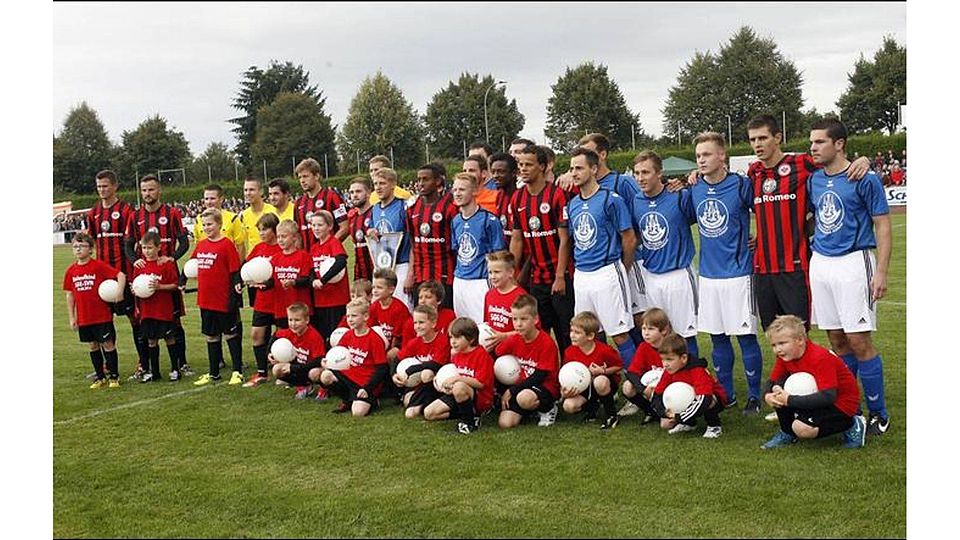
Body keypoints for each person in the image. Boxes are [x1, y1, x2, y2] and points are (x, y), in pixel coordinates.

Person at [807, 118, 892, 436]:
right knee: (837, 340)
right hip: (822, 263)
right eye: (811, 143)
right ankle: (850, 407)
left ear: (839, 143)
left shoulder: (865, 178)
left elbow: (882, 225)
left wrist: (880, 271)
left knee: (859, 340)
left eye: (819, 142)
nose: (813, 148)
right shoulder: (813, 179)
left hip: (854, 263)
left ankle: (878, 413)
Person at [689, 132, 765, 414]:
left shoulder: (741, 185)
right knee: (718, 337)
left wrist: (760, 235)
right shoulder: (693, 188)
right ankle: (727, 394)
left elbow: (765, 211)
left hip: (738, 273)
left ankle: (754, 396)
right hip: (708, 275)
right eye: (698, 156)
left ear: (722, 156)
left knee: (745, 336)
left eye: (707, 154)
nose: (701, 160)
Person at [566, 147, 638, 370]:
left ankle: (636, 389)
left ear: (594, 169)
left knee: (619, 334)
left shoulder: (611, 199)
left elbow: (629, 238)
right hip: (582, 275)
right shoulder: (573, 204)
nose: (574, 173)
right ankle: (603, 386)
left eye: (579, 168)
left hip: (607, 272)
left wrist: (622, 269)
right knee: (590, 335)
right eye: (571, 168)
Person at [631, 151, 701, 361]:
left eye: (646, 172)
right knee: (657, 335)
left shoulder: (679, 195)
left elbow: (705, 219)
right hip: (651, 276)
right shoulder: (636, 200)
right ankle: (668, 379)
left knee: (684, 333)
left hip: (679, 274)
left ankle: (695, 374)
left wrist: (692, 179)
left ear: (659, 173)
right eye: (636, 173)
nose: (640, 178)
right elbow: (636, 235)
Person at [760, 315, 866, 450]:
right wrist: (768, 395)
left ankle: (852, 423)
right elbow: (772, 381)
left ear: (800, 340)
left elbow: (829, 396)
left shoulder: (819, 357)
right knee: (777, 388)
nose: (777, 349)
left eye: (782, 343)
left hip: (840, 405)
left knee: (802, 429)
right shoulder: (785, 357)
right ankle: (787, 432)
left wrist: (790, 400)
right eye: (774, 345)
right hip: (817, 398)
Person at [124, 174, 191, 378]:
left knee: (175, 320)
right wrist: (135, 259)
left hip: (167, 273)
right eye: (144, 190)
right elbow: (127, 243)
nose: (147, 194)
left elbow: (184, 242)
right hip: (145, 274)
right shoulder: (135, 216)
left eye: (151, 189)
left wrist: (171, 258)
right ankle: (146, 366)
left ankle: (182, 363)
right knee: (145, 321)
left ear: (159, 190)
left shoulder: (171, 213)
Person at [509, 144, 574, 354]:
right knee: (540, 332)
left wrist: (560, 276)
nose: (523, 169)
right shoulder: (517, 198)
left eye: (529, 164)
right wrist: (512, 272)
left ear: (543, 167)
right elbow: (517, 239)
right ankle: (548, 377)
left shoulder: (556, 196)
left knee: (566, 331)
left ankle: (572, 375)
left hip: (561, 276)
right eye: (520, 165)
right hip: (537, 278)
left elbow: (564, 239)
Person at [86, 169, 145, 378]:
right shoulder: (93, 213)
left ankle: (142, 362)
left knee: (134, 318)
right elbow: (91, 241)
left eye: (105, 186)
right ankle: (105, 367)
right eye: (99, 186)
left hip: (124, 274)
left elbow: (135, 242)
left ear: (115, 186)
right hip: (103, 279)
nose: (102, 190)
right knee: (102, 321)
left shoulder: (127, 210)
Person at [63, 232, 125, 388]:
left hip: (101, 316)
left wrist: (119, 292)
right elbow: (70, 295)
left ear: (90, 249)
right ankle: (100, 377)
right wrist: (72, 317)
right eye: (75, 246)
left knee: (108, 344)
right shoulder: (71, 271)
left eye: (82, 246)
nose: (78, 249)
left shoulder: (98, 266)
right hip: (84, 317)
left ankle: (114, 377)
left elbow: (120, 275)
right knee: (92, 346)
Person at [191, 209, 244, 386]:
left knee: (230, 334)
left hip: (222, 298)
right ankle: (213, 373)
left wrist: (234, 294)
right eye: (204, 225)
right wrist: (183, 280)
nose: (207, 228)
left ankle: (237, 371)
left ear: (219, 224)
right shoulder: (201, 245)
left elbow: (235, 270)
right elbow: (191, 265)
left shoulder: (226, 244)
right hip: (205, 299)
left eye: (210, 224)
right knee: (211, 335)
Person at [494, 294, 561, 429]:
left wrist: (512, 391)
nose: (518, 324)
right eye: (515, 319)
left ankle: (548, 409)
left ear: (535, 319)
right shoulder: (514, 339)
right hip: (521, 386)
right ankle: (529, 410)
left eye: (524, 319)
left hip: (544, 386)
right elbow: (497, 356)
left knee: (524, 398)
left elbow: (540, 376)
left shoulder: (546, 342)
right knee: (505, 423)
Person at [423, 317, 496, 434]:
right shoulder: (456, 355)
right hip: (459, 395)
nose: (453, 341)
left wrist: (457, 379)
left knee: (459, 387)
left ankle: (470, 422)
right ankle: (465, 413)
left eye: (457, 337)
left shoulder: (481, 355)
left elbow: (481, 384)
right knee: (429, 413)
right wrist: (443, 383)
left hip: (480, 398)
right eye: (451, 337)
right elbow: (452, 373)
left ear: (471, 339)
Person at [318, 298, 389, 416]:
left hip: (365, 383)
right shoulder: (347, 335)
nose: (350, 320)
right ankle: (347, 399)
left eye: (354, 316)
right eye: (348, 316)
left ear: (366, 316)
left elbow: (382, 368)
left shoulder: (374, 339)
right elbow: (337, 355)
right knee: (326, 376)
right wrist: (327, 362)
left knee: (358, 413)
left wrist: (368, 389)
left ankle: (372, 401)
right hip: (348, 377)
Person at [450, 172, 506, 322]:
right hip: (460, 280)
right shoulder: (455, 220)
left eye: (462, 189)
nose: (457, 193)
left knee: (483, 327)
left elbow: (499, 254)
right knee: (462, 327)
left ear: (474, 191)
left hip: (480, 282)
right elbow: (457, 251)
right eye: (455, 190)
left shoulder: (489, 219)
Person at [651, 333, 727, 439]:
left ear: (683, 358)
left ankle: (714, 426)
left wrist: (679, 417)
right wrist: (664, 412)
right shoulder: (669, 371)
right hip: (691, 398)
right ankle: (689, 424)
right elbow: (658, 393)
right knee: (665, 424)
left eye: (669, 359)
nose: (665, 364)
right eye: (663, 359)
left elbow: (704, 399)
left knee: (710, 401)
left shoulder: (697, 371)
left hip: (712, 399)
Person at [131, 231, 181, 383]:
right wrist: (135, 291)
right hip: (147, 311)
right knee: (151, 341)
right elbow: (136, 287)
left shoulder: (165, 264)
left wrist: (160, 287)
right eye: (144, 248)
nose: (147, 251)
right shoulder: (140, 266)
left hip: (163, 310)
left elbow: (175, 285)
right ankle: (155, 372)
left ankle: (175, 369)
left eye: (150, 248)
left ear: (159, 247)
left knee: (169, 338)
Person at [406, 163, 457, 308]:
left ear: (438, 181)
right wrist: (410, 274)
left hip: (445, 275)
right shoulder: (412, 209)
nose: (421, 184)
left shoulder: (450, 207)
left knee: (443, 317)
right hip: (420, 276)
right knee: (423, 318)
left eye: (425, 179)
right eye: (419, 180)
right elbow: (413, 244)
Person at [560, 311, 623, 429]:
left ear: (590, 336)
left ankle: (611, 415)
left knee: (600, 381)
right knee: (568, 406)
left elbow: (619, 366)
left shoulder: (604, 350)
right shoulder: (569, 352)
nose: (572, 335)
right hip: (584, 387)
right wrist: (564, 392)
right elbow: (566, 374)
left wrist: (603, 371)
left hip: (604, 383)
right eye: (571, 331)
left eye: (577, 332)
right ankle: (592, 408)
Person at [241, 213, 282, 388]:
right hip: (262, 301)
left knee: (281, 337)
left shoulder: (282, 248)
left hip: (280, 300)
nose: (262, 233)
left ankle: (282, 371)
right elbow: (247, 269)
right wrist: (243, 282)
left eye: (265, 229)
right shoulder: (258, 249)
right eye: (259, 230)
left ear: (275, 230)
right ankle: (261, 373)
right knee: (256, 335)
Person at [394, 304, 452, 419]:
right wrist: (394, 375)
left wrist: (413, 368)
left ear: (433, 323)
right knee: (410, 412)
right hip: (420, 385)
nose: (417, 326)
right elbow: (397, 359)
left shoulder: (442, 340)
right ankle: (425, 404)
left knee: (427, 373)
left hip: (438, 384)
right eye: (415, 323)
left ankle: (432, 404)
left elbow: (436, 365)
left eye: (421, 322)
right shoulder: (415, 342)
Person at [368, 167, 414, 309]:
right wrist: (371, 232)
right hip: (382, 266)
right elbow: (372, 232)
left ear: (393, 184)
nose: (378, 188)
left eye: (382, 183)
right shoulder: (374, 209)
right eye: (375, 184)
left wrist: (410, 273)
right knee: (381, 306)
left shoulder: (403, 207)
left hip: (401, 264)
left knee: (402, 307)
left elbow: (413, 241)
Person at [620, 308, 671, 423]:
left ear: (664, 330)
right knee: (627, 387)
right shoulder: (644, 347)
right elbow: (632, 373)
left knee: (666, 424)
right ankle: (650, 411)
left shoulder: (672, 345)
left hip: (670, 386)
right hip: (651, 386)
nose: (646, 333)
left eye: (651, 329)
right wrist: (643, 390)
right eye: (643, 328)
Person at [269, 302, 327, 399]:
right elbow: (275, 335)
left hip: (311, 368)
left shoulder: (314, 336)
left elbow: (319, 360)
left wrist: (293, 368)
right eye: (290, 320)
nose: (293, 324)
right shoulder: (288, 333)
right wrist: (269, 354)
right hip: (298, 368)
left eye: (297, 320)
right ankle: (304, 386)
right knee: (277, 370)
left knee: (314, 373)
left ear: (307, 320)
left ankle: (324, 389)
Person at [308, 210, 350, 341]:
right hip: (320, 300)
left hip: (336, 300)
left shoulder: (333, 243)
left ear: (330, 226)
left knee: (335, 336)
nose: (316, 228)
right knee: (322, 336)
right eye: (313, 225)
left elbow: (341, 261)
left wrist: (323, 280)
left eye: (320, 225)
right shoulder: (314, 248)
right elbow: (311, 269)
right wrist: (313, 280)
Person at [267, 220, 315, 330]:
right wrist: (262, 284)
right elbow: (272, 280)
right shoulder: (275, 258)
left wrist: (293, 282)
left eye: (284, 236)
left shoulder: (303, 256)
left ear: (294, 237)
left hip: (300, 308)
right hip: (281, 308)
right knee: (283, 338)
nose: (280, 240)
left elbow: (307, 279)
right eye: (278, 237)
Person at [239, 176, 278, 307]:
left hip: (273, 265)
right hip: (254, 267)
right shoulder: (244, 215)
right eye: (245, 190)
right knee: (258, 310)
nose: (248, 193)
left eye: (251, 189)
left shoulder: (273, 211)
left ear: (261, 192)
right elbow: (244, 242)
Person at [294, 158, 349, 251]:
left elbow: (345, 227)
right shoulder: (298, 203)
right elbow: (298, 234)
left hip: (329, 257)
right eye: (300, 177)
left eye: (305, 176)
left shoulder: (331, 196)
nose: (302, 180)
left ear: (316, 176)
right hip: (307, 259)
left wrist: (328, 246)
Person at [482, 250, 527, 348]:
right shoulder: (489, 295)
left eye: (497, 272)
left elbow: (531, 330)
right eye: (490, 272)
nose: (492, 276)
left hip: (515, 348)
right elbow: (487, 323)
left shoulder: (520, 296)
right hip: (493, 348)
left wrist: (505, 336)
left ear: (510, 272)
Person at [369, 268, 411, 365]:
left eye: (379, 288)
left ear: (391, 289)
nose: (375, 291)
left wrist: (389, 351)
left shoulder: (399, 309)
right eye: (373, 287)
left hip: (398, 345)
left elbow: (398, 337)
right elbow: (371, 329)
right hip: (383, 343)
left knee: (391, 355)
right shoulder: (374, 307)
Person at [193, 184, 245, 258]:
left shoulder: (232, 218)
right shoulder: (199, 219)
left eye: (212, 198)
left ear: (221, 199)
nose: (209, 202)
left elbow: (240, 246)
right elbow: (197, 246)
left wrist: (237, 267)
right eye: (206, 199)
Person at [398, 281, 457, 345]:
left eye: (428, 297)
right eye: (420, 298)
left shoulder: (448, 315)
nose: (423, 301)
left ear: (439, 300)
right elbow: (406, 348)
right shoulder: (411, 322)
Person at [346, 177, 375, 283]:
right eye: (351, 192)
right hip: (359, 273)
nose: (354, 195)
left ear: (368, 193)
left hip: (377, 271)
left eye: (358, 191)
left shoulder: (376, 213)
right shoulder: (352, 217)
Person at [488, 152, 519, 246]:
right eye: (493, 172)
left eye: (501, 171)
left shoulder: (521, 197)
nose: (495, 176)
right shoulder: (499, 196)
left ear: (514, 173)